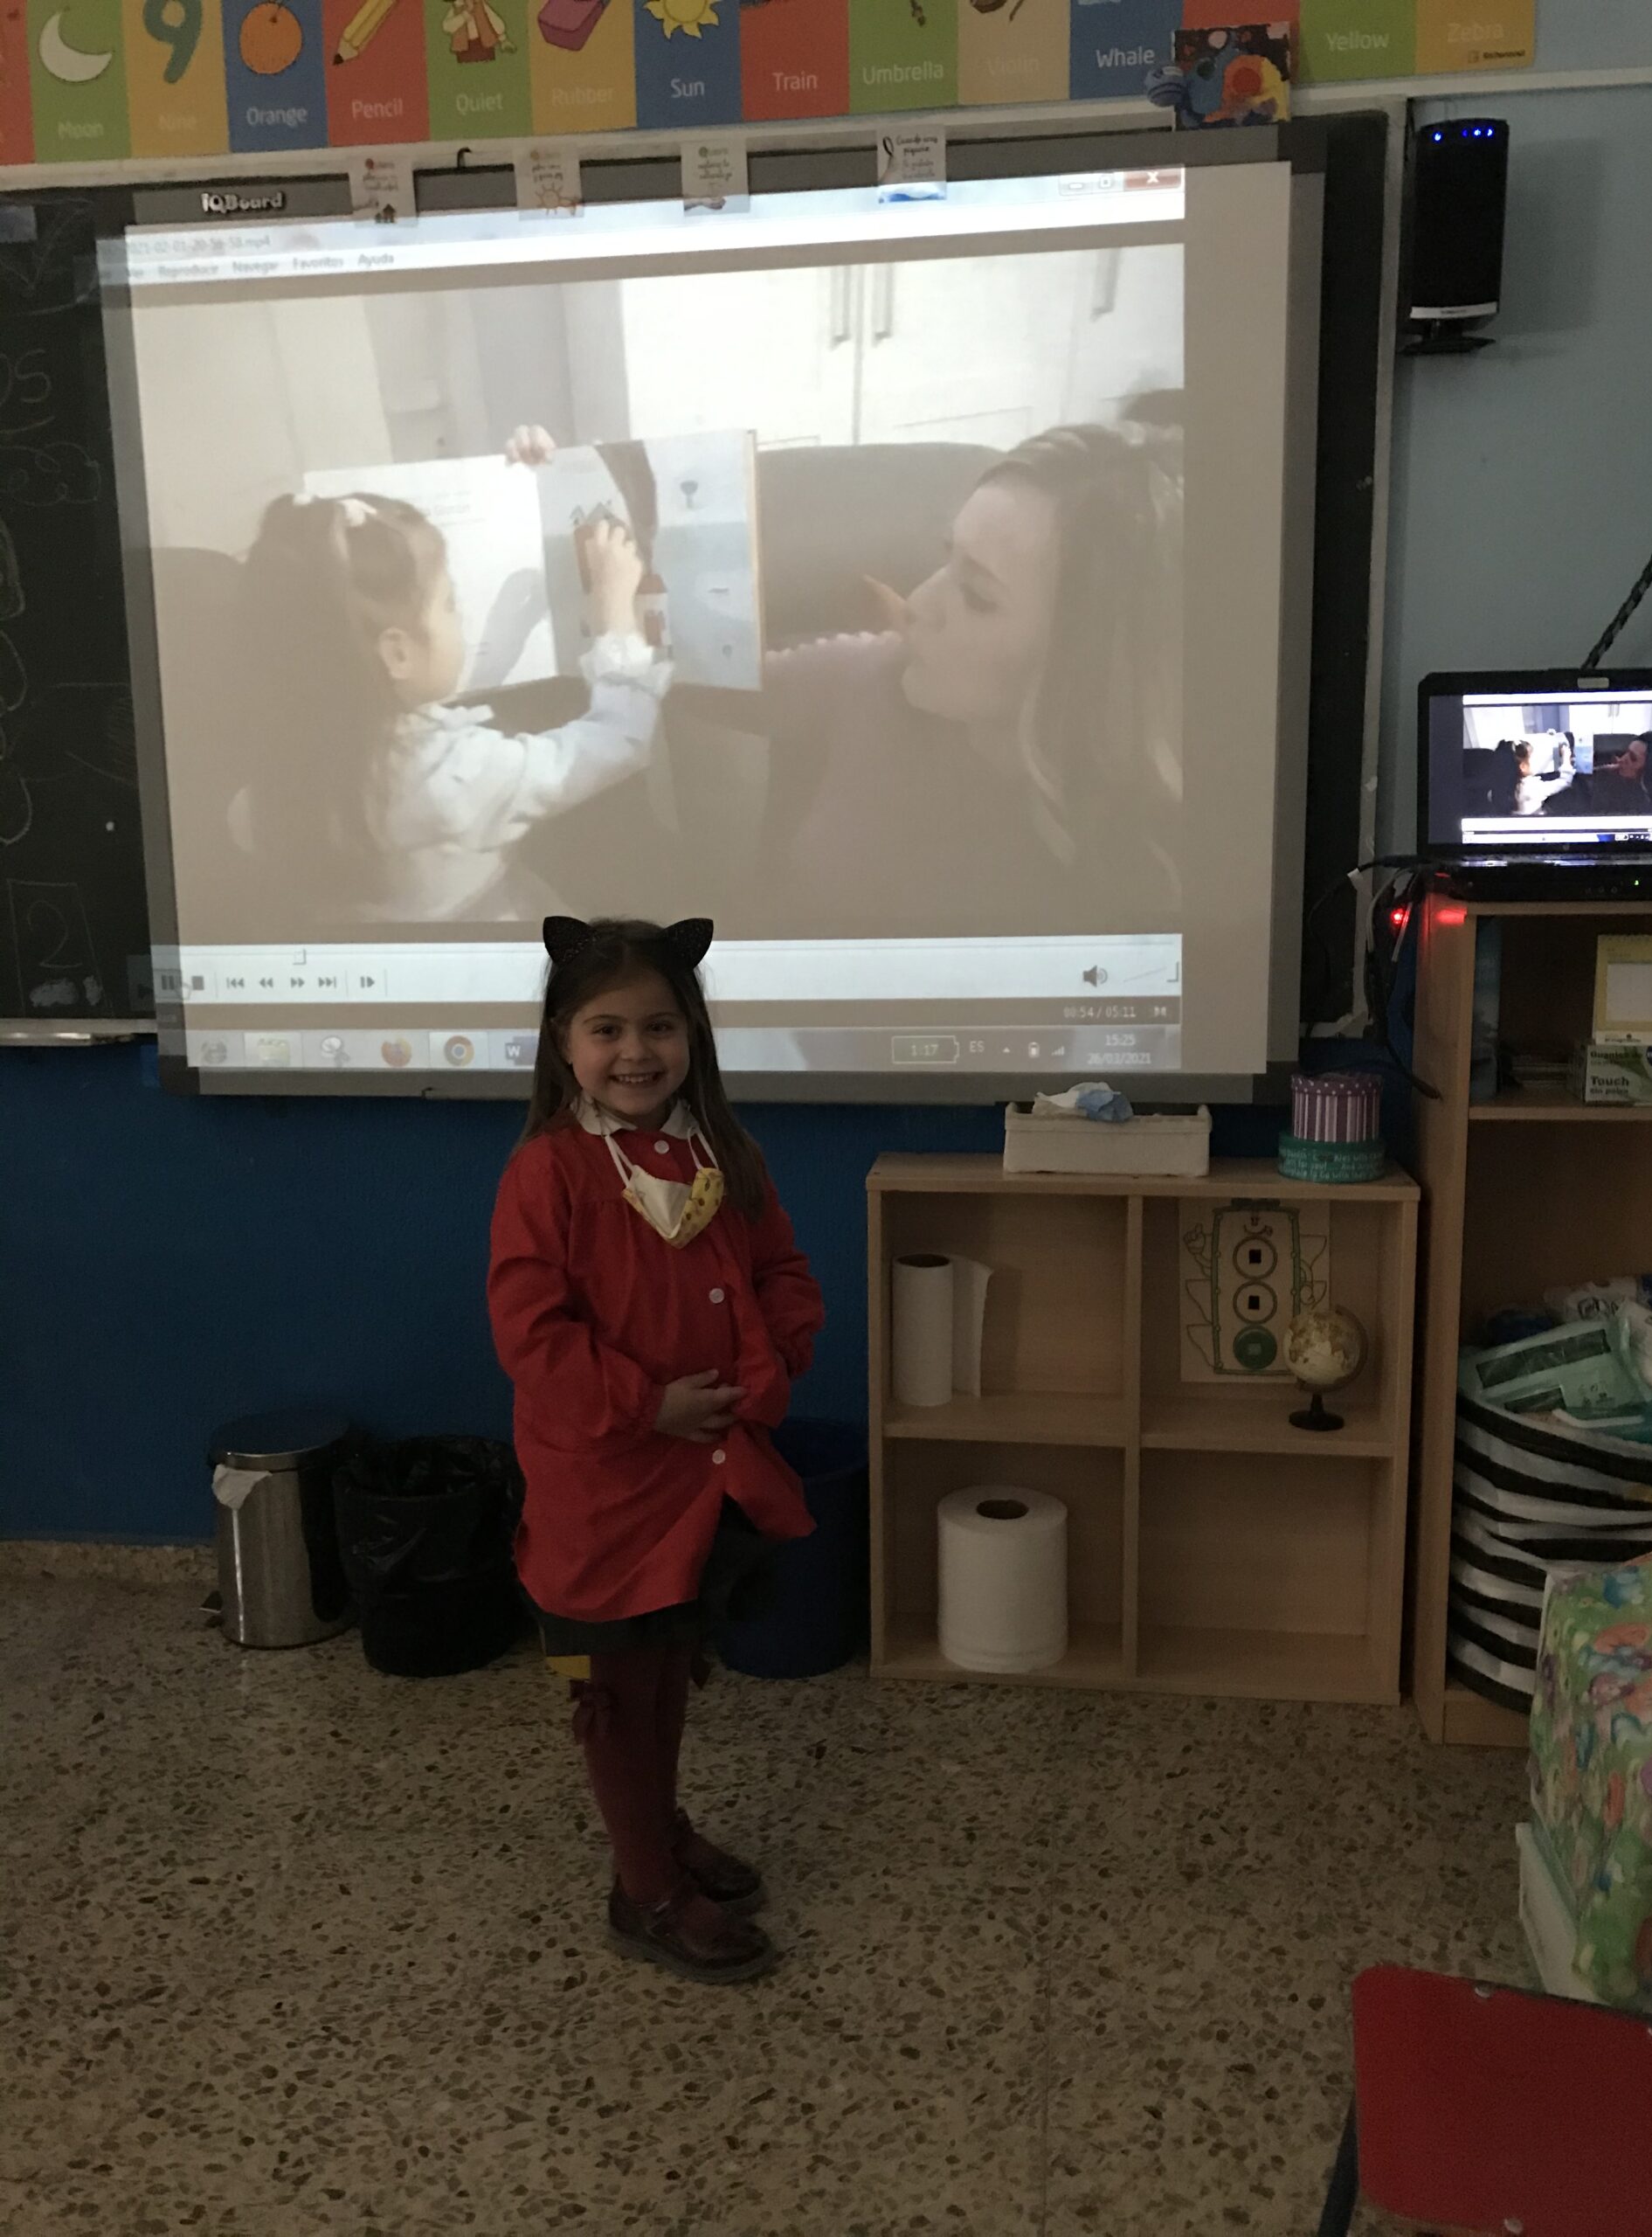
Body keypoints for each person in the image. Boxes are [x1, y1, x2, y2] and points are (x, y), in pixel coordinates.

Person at [487, 915, 823, 1984]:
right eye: (606, 1028)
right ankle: (644, 1888)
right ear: (561, 1044)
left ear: (693, 1036)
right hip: (608, 1488)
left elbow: (784, 1278)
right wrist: (647, 1404)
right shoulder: (549, 1174)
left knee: (669, 1669)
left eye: (660, 1027)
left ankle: (660, 1830)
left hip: (704, 1475)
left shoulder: (726, 1152)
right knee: (618, 1691)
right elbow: (533, 1336)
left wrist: (759, 1382)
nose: (636, 1052)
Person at [751, 419, 1184, 937]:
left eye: (977, 597)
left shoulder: (1149, 874)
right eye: (946, 557)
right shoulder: (872, 676)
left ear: (1088, 667)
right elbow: (699, 680)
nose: (915, 604)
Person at [238, 461, 667, 924]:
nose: (460, 618)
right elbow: (621, 739)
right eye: (449, 603)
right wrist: (615, 617)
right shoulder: (454, 777)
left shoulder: (264, 791)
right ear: (397, 654)